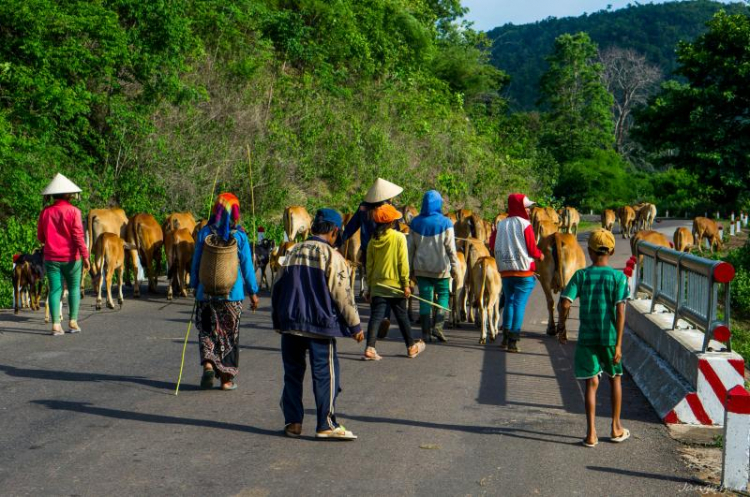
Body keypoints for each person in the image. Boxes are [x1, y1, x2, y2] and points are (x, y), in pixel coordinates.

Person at [272, 209, 364, 440]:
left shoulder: (293, 251)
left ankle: (293, 422)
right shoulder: (332, 257)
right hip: (320, 325)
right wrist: (355, 326)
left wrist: (278, 320)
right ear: (334, 232)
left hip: (291, 324)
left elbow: (277, 287)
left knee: (292, 373)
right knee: (325, 374)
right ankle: (326, 423)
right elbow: (342, 293)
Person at [558, 229, 630, 448]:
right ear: (612, 250)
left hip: (587, 338)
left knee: (592, 382)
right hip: (609, 338)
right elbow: (620, 311)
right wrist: (618, 344)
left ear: (589, 251)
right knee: (615, 378)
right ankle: (616, 428)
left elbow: (565, 302)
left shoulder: (581, 275)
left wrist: (562, 327)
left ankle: (591, 434)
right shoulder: (619, 277)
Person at [191, 193, 259, 391]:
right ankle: (227, 380)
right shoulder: (240, 236)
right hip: (232, 295)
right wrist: (253, 293)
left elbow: (196, 262)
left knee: (207, 330)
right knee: (229, 335)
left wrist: (195, 285)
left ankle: (209, 365)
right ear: (236, 213)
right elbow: (247, 266)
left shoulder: (204, 233)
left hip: (206, 293)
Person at [363, 204, 425, 360]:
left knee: (376, 317)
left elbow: (369, 266)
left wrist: (369, 287)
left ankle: (370, 348)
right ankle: (411, 347)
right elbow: (403, 263)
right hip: (395, 286)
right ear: (391, 222)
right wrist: (406, 284)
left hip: (378, 285)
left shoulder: (372, 240)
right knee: (402, 316)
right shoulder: (399, 238)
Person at [342, 178, 403, 333]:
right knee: (387, 285)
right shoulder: (388, 209)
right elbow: (396, 230)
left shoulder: (363, 208)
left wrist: (337, 242)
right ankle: (385, 316)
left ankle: (378, 317)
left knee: (373, 286)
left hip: (368, 251)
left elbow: (350, 227)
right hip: (386, 252)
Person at [37, 173, 90, 336]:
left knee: (54, 290)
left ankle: (55, 325)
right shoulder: (75, 211)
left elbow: (40, 237)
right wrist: (86, 256)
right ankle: (73, 322)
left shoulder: (45, 212)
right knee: (74, 288)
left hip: (51, 258)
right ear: (68, 194)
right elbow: (78, 236)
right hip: (72, 259)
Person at [493, 193, 543, 353]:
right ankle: (513, 340)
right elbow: (531, 248)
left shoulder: (501, 224)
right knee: (519, 304)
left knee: (509, 301)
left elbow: (492, 243)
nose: (529, 211)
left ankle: (505, 338)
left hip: (506, 271)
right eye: (527, 207)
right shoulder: (525, 224)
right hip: (524, 271)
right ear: (520, 207)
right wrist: (540, 255)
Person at [408, 190, 460, 342]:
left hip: (421, 269)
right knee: (443, 295)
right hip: (441, 269)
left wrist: (409, 270)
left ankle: (425, 332)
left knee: (425, 298)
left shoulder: (415, 222)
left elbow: (410, 249)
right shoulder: (446, 223)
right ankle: (438, 327)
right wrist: (455, 268)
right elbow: (451, 249)